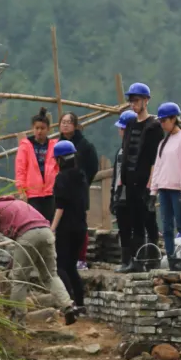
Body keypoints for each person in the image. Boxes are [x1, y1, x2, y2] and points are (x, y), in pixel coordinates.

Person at [0, 195, 77, 325]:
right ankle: (68, 306)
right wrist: (12, 264)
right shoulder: (18, 204)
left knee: (19, 280)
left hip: (28, 235)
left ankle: (18, 319)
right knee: (51, 275)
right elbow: (22, 248)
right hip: (46, 233)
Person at [119, 83, 163, 269]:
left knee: (148, 219)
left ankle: (153, 259)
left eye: (136, 100)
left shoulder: (154, 126)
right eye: (131, 101)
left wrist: (152, 183)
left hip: (146, 180)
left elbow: (156, 157)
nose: (133, 104)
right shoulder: (129, 124)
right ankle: (135, 261)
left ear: (146, 101)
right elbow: (127, 151)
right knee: (134, 220)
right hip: (130, 180)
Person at [148, 102, 181, 270]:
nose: (162, 124)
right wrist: (153, 191)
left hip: (177, 189)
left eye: (164, 121)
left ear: (174, 118)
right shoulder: (163, 143)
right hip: (164, 188)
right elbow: (158, 167)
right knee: (166, 225)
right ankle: (171, 256)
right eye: (160, 121)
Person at [51, 139, 88, 313]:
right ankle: (80, 303)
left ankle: (69, 302)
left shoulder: (61, 178)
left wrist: (52, 228)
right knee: (72, 266)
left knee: (61, 266)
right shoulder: (81, 175)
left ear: (58, 160)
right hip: (81, 227)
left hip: (66, 228)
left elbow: (60, 207)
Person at [58, 112, 99, 269]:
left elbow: (93, 167)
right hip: (61, 190)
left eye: (69, 122)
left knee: (80, 225)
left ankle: (80, 258)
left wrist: (83, 182)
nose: (66, 124)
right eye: (63, 122)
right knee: (62, 225)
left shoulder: (85, 145)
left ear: (75, 125)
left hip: (79, 191)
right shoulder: (57, 144)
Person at [15, 107, 58, 221]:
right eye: (37, 128)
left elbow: (58, 168)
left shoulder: (54, 145)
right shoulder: (25, 146)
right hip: (32, 193)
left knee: (50, 223)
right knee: (35, 223)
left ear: (48, 129)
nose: (39, 131)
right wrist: (22, 190)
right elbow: (21, 170)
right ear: (32, 129)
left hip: (50, 192)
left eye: (42, 128)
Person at [110, 110, 137, 272]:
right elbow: (115, 176)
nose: (120, 131)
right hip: (120, 196)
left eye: (122, 128)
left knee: (132, 230)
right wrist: (112, 198)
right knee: (123, 231)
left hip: (132, 197)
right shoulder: (120, 151)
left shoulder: (136, 150)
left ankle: (133, 260)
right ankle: (125, 260)